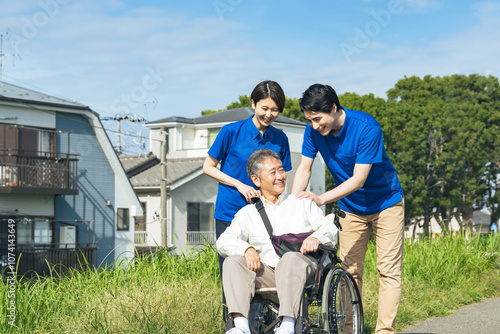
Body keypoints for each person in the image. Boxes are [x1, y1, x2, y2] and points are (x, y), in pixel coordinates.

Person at [291, 84, 405, 334]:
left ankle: (385, 330)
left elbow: (358, 179)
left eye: (318, 119)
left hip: (386, 203)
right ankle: (350, 329)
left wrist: (321, 199)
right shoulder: (314, 131)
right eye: (309, 120)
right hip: (351, 208)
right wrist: (292, 204)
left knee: (388, 271)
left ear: (333, 108)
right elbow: (305, 168)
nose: (314, 126)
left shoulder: (367, 128)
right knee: (350, 270)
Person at [217, 149, 338, 334]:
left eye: (281, 170)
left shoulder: (301, 203)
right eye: (273, 172)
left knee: (289, 258)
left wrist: (316, 237)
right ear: (256, 180)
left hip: (305, 271)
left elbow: (330, 228)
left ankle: (288, 325)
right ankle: (240, 327)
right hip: (268, 275)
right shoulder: (247, 213)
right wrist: (246, 248)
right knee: (233, 261)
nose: (280, 176)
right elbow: (223, 240)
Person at [203, 80, 292, 319]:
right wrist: (238, 183)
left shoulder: (280, 138)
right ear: (253, 104)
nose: (269, 114)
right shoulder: (231, 131)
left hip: (265, 216)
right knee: (233, 272)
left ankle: (265, 323)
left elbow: (281, 176)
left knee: (266, 270)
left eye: (275, 110)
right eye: (264, 108)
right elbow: (208, 167)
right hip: (230, 212)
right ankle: (234, 325)